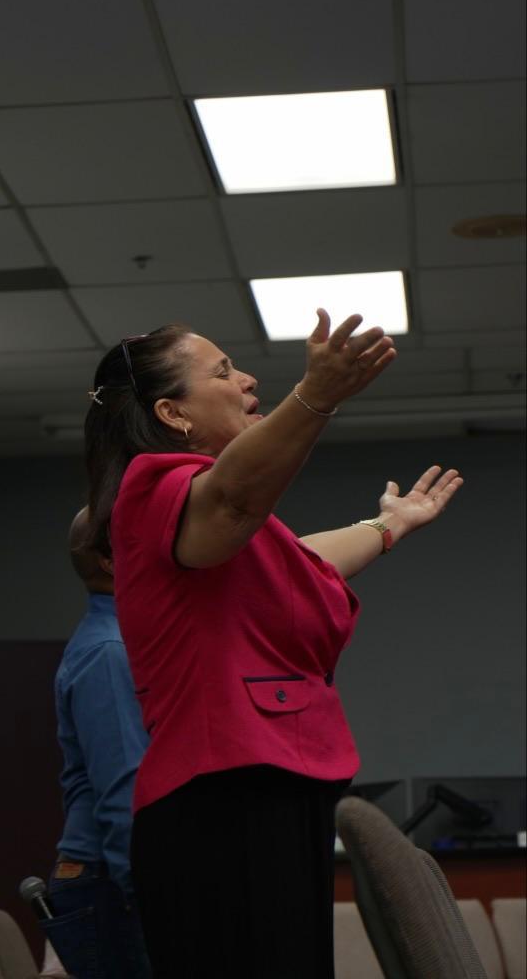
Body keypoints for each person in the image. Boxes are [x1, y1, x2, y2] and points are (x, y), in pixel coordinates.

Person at [83, 309, 463, 979]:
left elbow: (301, 560)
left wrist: (389, 525)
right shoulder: (154, 488)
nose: (248, 379)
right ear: (172, 413)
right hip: (221, 800)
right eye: (224, 372)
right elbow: (235, 501)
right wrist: (316, 396)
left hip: (257, 791)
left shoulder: (208, 526)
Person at [43, 509, 152, 979]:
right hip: (107, 880)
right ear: (111, 560)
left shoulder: (121, 642)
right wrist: (157, 899)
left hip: (108, 877)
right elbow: (125, 792)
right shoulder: (110, 652)